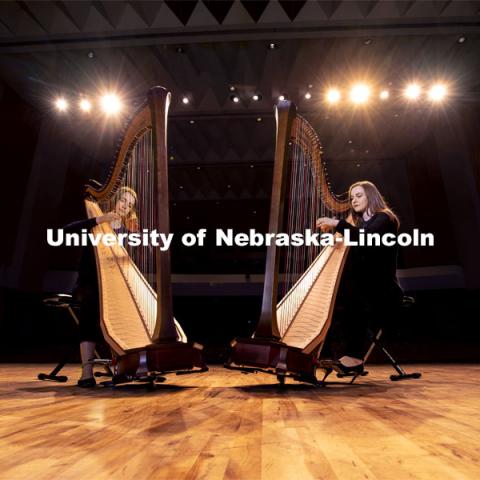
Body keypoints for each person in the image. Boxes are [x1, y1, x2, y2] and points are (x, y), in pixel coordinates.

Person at [316, 180, 404, 374]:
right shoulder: (360, 225)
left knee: (345, 303)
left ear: (371, 196)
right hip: (365, 288)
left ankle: (349, 358)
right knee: (334, 301)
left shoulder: (384, 218)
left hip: (383, 289)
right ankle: (328, 356)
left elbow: (366, 238)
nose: (353, 201)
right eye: (351, 197)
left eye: (359, 195)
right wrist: (337, 240)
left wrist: (336, 223)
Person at [64, 186, 138, 387]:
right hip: (89, 282)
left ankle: (123, 368)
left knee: (125, 314)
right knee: (91, 308)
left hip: (112, 284)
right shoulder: (96, 221)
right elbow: (67, 230)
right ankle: (86, 373)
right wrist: (100, 220)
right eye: (123, 201)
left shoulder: (125, 230)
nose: (125, 206)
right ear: (114, 200)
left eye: (129, 205)